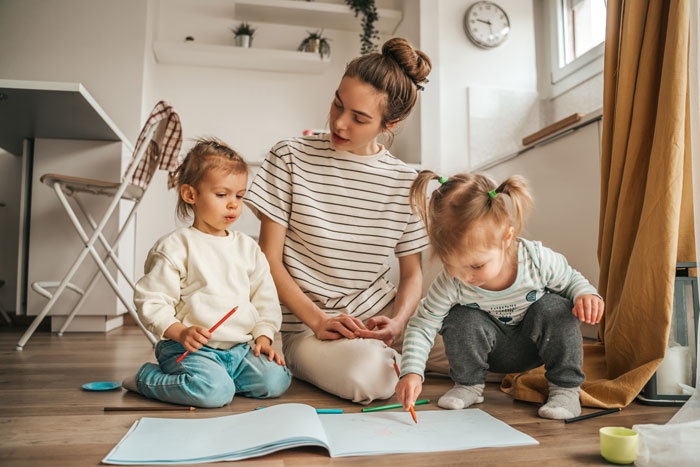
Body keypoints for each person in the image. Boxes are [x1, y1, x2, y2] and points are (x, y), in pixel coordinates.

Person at [244, 37, 447, 404]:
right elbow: (268, 259)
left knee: (489, 350)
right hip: (310, 328)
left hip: (382, 318)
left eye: (359, 117)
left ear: (391, 122)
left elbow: (412, 274)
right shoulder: (290, 156)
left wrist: (399, 323)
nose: (339, 122)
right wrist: (318, 320)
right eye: (338, 102)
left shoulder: (406, 181)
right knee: (372, 377)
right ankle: (398, 363)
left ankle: (405, 356)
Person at [396, 171, 604, 419]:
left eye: (476, 266)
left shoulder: (536, 260)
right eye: (452, 265)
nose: (465, 277)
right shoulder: (451, 282)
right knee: (460, 316)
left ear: (507, 237)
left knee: (556, 308)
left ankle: (565, 390)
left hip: (535, 347)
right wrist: (411, 372)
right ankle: (468, 385)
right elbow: (422, 324)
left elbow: (571, 280)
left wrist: (586, 295)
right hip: (490, 354)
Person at [122, 139, 291, 408]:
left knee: (277, 381)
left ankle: (215, 382)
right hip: (188, 350)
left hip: (238, 349)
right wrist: (180, 332)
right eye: (222, 195)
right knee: (214, 393)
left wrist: (263, 338)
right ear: (190, 195)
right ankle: (146, 378)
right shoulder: (176, 247)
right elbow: (152, 300)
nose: (234, 205)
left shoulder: (248, 248)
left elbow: (265, 300)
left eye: (239, 195)